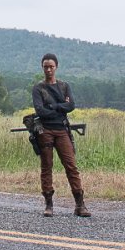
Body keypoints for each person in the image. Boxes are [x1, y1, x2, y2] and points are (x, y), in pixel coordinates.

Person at [30, 53, 90, 217]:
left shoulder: (64, 86)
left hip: (62, 130)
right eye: (45, 67)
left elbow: (71, 105)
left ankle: (80, 204)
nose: (48, 70)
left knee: (71, 166)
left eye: (51, 67)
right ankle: (48, 204)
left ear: (56, 67)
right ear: (42, 68)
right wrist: (60, 107)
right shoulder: (38, 88)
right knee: (46, 167)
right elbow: (40, 111)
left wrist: (53, 106)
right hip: (45, 131)